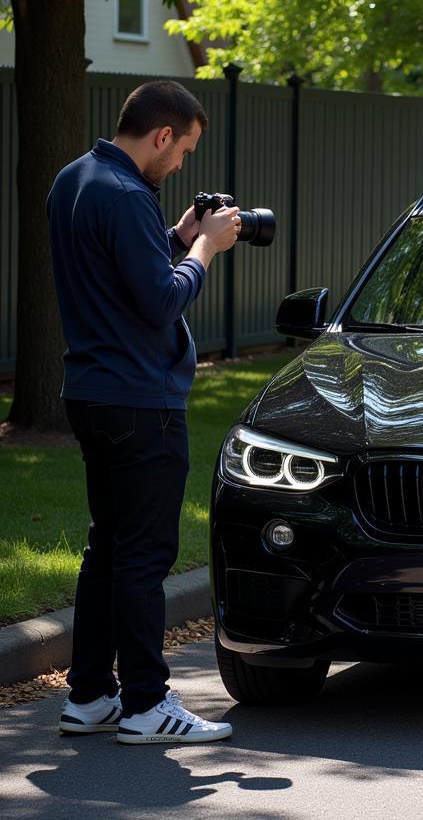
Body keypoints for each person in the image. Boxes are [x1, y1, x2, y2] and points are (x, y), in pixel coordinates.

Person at [47, 80, 239, 745]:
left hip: (90, 393)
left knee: (108, 547)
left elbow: (117, 271)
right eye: (182, 149)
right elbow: (160, 303)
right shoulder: (127, 194)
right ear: (162, 136)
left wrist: (177, 234)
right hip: (140, 401)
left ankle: (91, 695)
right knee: (144, 555)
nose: (181, 164)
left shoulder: (76, 179)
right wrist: (205, 248)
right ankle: (147, 705)